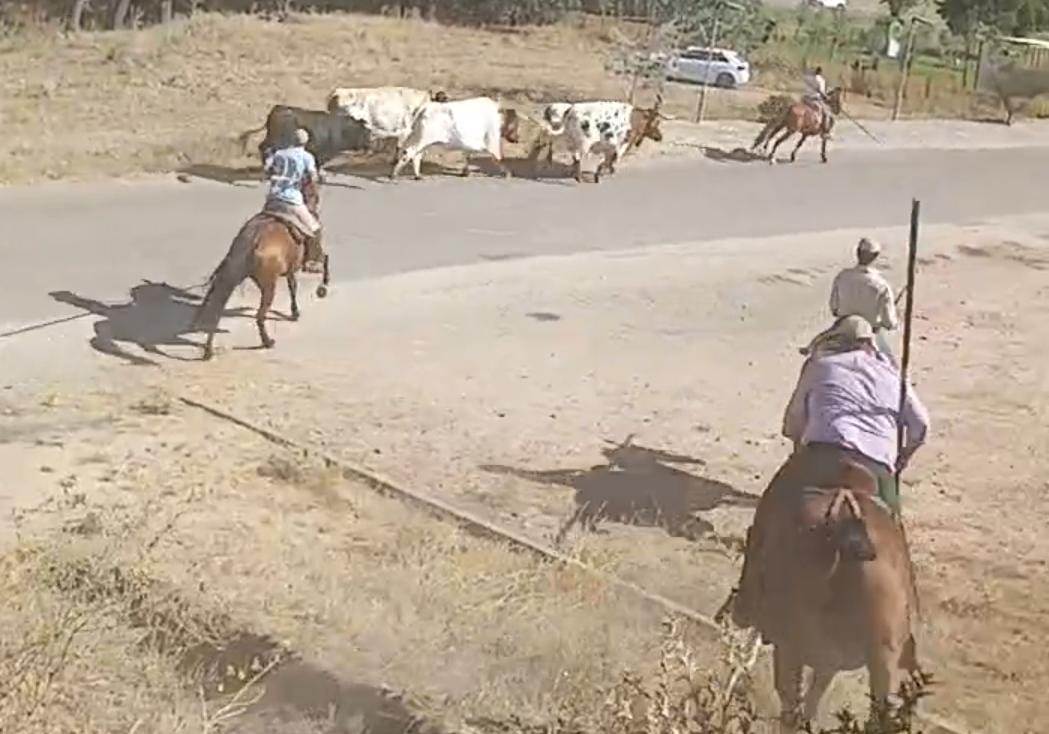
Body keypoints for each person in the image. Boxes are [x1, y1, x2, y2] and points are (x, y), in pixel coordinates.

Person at [732, 315, 930, 627]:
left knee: (767, 513)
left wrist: (799, 442)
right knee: (895, 532)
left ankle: (747, 599)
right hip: (876, 466)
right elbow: (920, 427)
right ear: (870, 346)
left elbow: (791, 424)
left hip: (821, 456)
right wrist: (901, 459)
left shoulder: (820, 365)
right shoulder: (893, 375)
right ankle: (908, 624)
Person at [263, 128, 324, 272]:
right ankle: (312, 261)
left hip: (273, 198)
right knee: (315, 229)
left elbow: (267, 169)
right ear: (306, 142)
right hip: (292, 200)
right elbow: (313, 178)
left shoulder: (279, 153)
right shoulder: (307, 157)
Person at [829, 237, 899, 361]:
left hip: (842, 329)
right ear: (875, 257)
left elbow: (834, 308)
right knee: (890, 362)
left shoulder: (842, 277)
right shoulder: (881, 285)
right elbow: (889, 322)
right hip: (868, 332)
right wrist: (890, 323)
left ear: (857, 253)